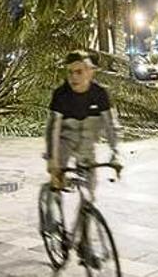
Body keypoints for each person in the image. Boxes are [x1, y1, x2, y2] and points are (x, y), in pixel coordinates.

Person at [45, 51, 121, 191]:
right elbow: (53, 129)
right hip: (64, 141)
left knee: (90, 188)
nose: (74, 77)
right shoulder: (61, 95)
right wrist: (52, 160)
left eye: (79, 72)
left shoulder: (100, 94)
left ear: (89, 72)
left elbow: (110, 125)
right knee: (57, 179)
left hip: (87, 143)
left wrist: (115, 152)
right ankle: (53, 204)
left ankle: (86, 209)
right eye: (70, 72)